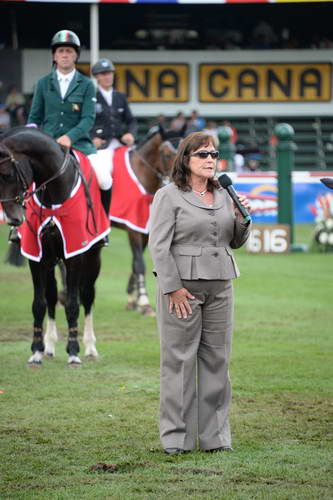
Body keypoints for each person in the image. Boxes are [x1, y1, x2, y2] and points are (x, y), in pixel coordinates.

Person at [148, 132, 251, 455]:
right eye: (202, 154)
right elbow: (159, 246)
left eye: (213, 154)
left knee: (217, 361)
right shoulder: (168, 195)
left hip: (221, 285)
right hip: (183, 290)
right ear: (186, 160)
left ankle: (215, 438)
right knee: (179, 363)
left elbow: (233, 241)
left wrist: (240, 219)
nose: (210, 159)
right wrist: (173, 288)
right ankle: (176, 439)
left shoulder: (224, 194)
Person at [27, 30, 112, 223]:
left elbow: (88, 119)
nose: (65, 54)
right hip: (47, 145)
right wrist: (31, 143)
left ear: (75, 55)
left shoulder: (87, 85)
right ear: (54, 56)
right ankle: (20, 227)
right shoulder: (42, 84)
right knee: (23, 176)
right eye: (61, 51)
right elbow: (34, 118)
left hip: (80, 144)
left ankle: (103, 224)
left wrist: (69, 137)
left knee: (105, 178)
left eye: (69, 51)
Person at [91, 58, 137, 151]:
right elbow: (84, 122)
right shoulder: (91, 97)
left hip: (120, 144)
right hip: (100, 145)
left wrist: (131, 134)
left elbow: (131, 121)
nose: (107, 77)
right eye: (103, 74)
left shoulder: (121, 96)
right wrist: (92, 138)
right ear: (97, 76)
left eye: (109, 73)